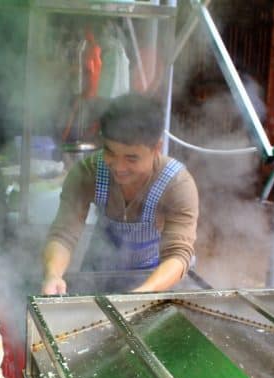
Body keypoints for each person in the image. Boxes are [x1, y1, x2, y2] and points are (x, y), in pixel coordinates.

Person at [42, 93, 199, 294]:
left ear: (156, 148)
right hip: (100, 270)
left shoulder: (177, 184)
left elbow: (178, 253)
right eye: (110, 152)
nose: (118, 166)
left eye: (131, 158)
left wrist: (143, 293)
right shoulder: (88, 172)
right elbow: (64, 234)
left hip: (156, 275)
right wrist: (53, 274)